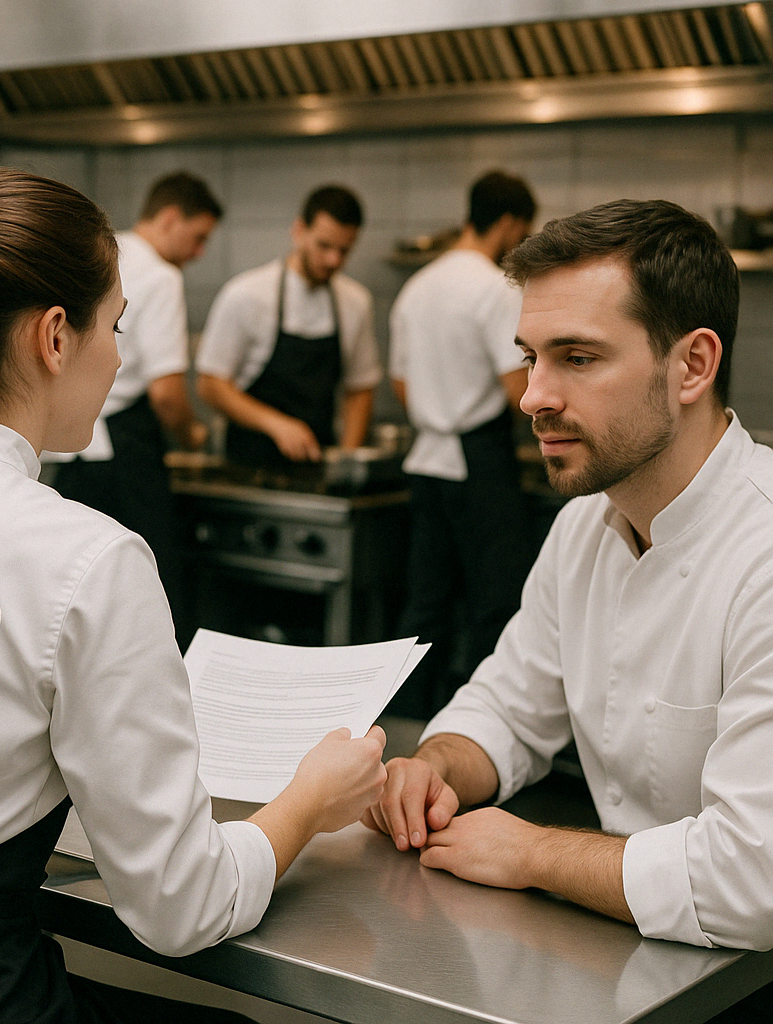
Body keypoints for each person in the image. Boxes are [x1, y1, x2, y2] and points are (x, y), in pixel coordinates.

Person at [0, 166, 388, 1024]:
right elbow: (179, 908)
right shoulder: (84, 558)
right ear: (54, 336)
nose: (120, 354)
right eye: (115, 324)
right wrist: (310, 801)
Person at [364, 199, 773, 980]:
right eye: (530, 357)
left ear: (692, 365)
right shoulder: (586, 528)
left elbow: (753, 880)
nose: (532, 397)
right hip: (636, 959)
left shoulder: (764, 554)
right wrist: (441, 764)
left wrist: (530, 851)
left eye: (577, 358)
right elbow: (511, 708)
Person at [388, 170, 537, 719]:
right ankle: (477, 731)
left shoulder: (418, 287)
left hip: (425, 461)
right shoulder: (496, 287)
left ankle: (402, 732)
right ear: (509, 223)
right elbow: (518, 387)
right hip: (478, 462)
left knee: (424, 606)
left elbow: (401, 384)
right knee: (493, 604)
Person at [47, 171, 219, 647]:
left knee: (82, 585)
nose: (199, 251)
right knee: (152, 582)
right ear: (169, 219)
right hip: (126, 447)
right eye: (199, 237)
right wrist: (194, 436)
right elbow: (166, 393)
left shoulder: (97, 253)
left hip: (77, 452)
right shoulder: (162, 277)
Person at [195, 185, 381, 470]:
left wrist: (346, 456)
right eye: (324, 246)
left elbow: (360, 388)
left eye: (344, 250)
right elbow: (211, 384)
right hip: (249, 466)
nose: (334, 260)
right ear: (298, 230)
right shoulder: (246, 294)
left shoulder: (356, 302)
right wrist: (276, 424)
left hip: (319, 462)